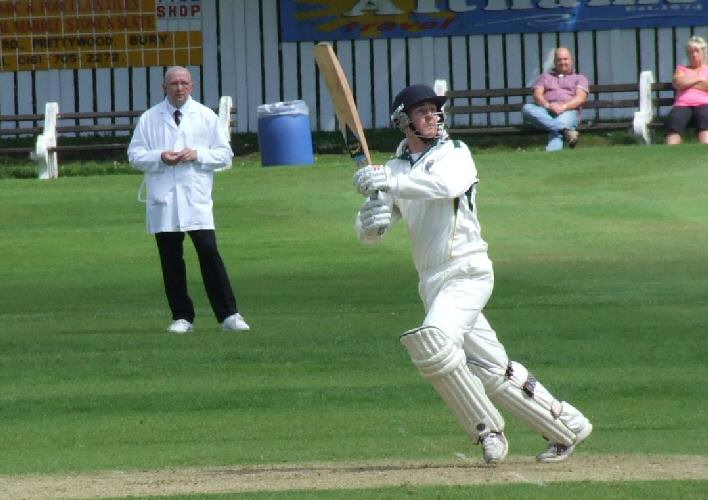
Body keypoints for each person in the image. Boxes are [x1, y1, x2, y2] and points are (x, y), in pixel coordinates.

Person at [352, 84, 592, 464]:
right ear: (403, 121)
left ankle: (488, 432)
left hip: (468, 271)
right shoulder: (395, 170)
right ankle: (567, 425)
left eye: (435, 109)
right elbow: (371, 237)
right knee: (492, 369)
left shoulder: (455, 153)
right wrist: (371, 218)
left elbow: (446, 185)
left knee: (432, 343)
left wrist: (388, 182)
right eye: (423, 111)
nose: (433, 116)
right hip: (431, 282)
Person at [128, 66, 249, 334]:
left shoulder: (205, 116)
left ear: (191, 87)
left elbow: (224, 155)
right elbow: (135, 155)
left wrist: (198, 155)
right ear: (164, 88)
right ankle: (182, 316)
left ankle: (229, 314)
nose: (179, 88)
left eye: (184, 83)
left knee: (209, 253)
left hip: (195, 199)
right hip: (164, 199)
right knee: (171, 259)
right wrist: (160, 157)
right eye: (173, 84)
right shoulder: (150, 119)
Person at [522, 47, 588, 152]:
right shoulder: (545, 77)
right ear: (554, 62)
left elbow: (580, 98)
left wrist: (563, 107)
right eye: (559, 59)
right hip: (546, 111)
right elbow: (537, 94)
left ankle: (552, 153)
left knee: (557, 125)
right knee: (527, 108)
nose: (562, 62)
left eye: (565, 59)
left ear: (571, 60)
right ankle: (566, 131)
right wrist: (548, 105)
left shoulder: (580, 78)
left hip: (568, 112)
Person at [666, 36, 708, 145]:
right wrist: (699, 79)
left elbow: (681, 84)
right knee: (675, 120)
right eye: (690, 52)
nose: (694, 55)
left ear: (703, 52)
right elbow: (677, 84)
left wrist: (687, 83)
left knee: (705, 119)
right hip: (682, 104)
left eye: (697, 51)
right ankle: (670, 153)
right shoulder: (681, 69)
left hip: (704, 103)